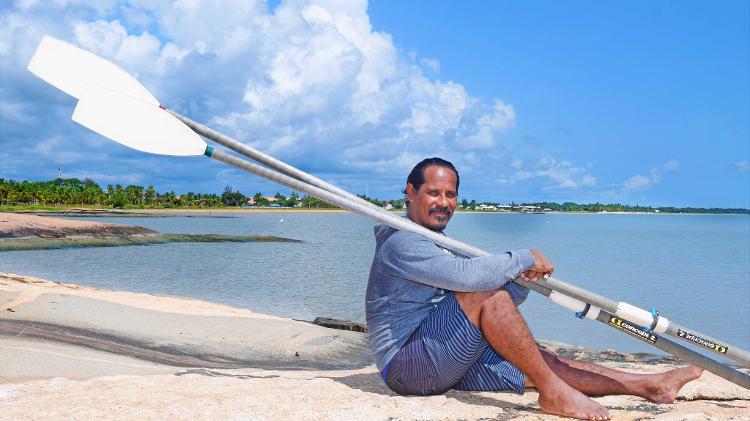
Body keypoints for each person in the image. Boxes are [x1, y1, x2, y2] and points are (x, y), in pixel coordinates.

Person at [365, 157, 702, 421]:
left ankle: (649, 386)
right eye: (433, 193)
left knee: (539, 361)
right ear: (410, 192)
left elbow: (492, 302)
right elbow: (468, 281)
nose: (443, 202)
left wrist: (522, 281)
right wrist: (522, 257)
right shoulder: (402, 242)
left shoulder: (434, 241)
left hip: (442, 358)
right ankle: (552, 393)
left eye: (450, 194)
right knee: (486, 294)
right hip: (407, 366)